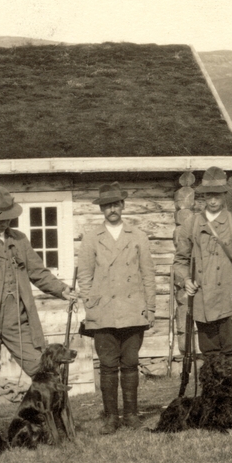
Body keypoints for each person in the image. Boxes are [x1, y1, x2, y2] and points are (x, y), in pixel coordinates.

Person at [0, 187, 77, 405]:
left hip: (16, 319)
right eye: (1, 218)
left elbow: (37, 271)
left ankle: (46, 418)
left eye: (9, 218)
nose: (5, 222)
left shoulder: (19, 240)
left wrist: (60, 289)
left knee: (38, 365)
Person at [77, 182, 157, 433]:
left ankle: (131, 415)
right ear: (102, 209)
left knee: (130, 363)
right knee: (108, 365)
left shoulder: (138, 236)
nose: (112, 209)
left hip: (133, 309)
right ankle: (112, 417)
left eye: (115, 204)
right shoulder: (91, 238)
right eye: (106, 205)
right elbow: (85, 276)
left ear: (122, 206)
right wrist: (91, 305)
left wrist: (150, 308)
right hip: (103, 312)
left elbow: (148, 274)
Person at [173, 167, 232, 364]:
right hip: (203, 304)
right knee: (210, 358)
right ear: (203, 196)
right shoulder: (191, 225)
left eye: (217, 195)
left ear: (224, 195)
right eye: (209, 195)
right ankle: (213, 396)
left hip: (229, 303)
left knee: (230, 356)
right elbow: (180, 261)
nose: (212, 200)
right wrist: (186, 279)